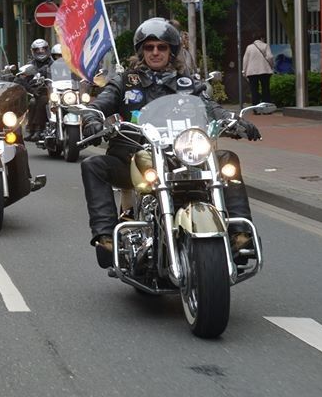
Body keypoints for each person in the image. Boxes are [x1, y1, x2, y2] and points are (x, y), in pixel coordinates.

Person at [79, 18, 261, 267]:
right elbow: (99, 105)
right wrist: (93, 118)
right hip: (135, 158)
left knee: (227, 160)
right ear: (141, 51)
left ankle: (240, 232)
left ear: (172, 51)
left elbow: (212, 108)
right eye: (150, 47)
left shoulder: (188, 84)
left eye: (162, 47)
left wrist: (233, 121)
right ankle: (106, 236)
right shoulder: (124, 81)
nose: (155, 52)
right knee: (93, 165)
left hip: (183, 156)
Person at [17, 38, 53, 141]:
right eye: (37, 50)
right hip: (36, 92)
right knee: (33, 102)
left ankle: (38, 129)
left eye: (43, 49)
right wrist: (32, 90)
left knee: (43, 101)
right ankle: (33, 129)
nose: (41, 51)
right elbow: (20, 79)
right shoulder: (30, 65)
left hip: (54, 91)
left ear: (47, 49)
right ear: (33, 51)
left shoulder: (54, 63)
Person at [242, 32, 274, 106]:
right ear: (262, 38)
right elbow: (270, 57)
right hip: (265, 71)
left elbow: (245, 60)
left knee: (254, 90)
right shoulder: (265, 46)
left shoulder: (249, 47)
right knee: (265, 90)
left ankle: (256, 108)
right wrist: (272, 66)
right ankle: (266, 107)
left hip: (252, 72)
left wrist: (244, 71)